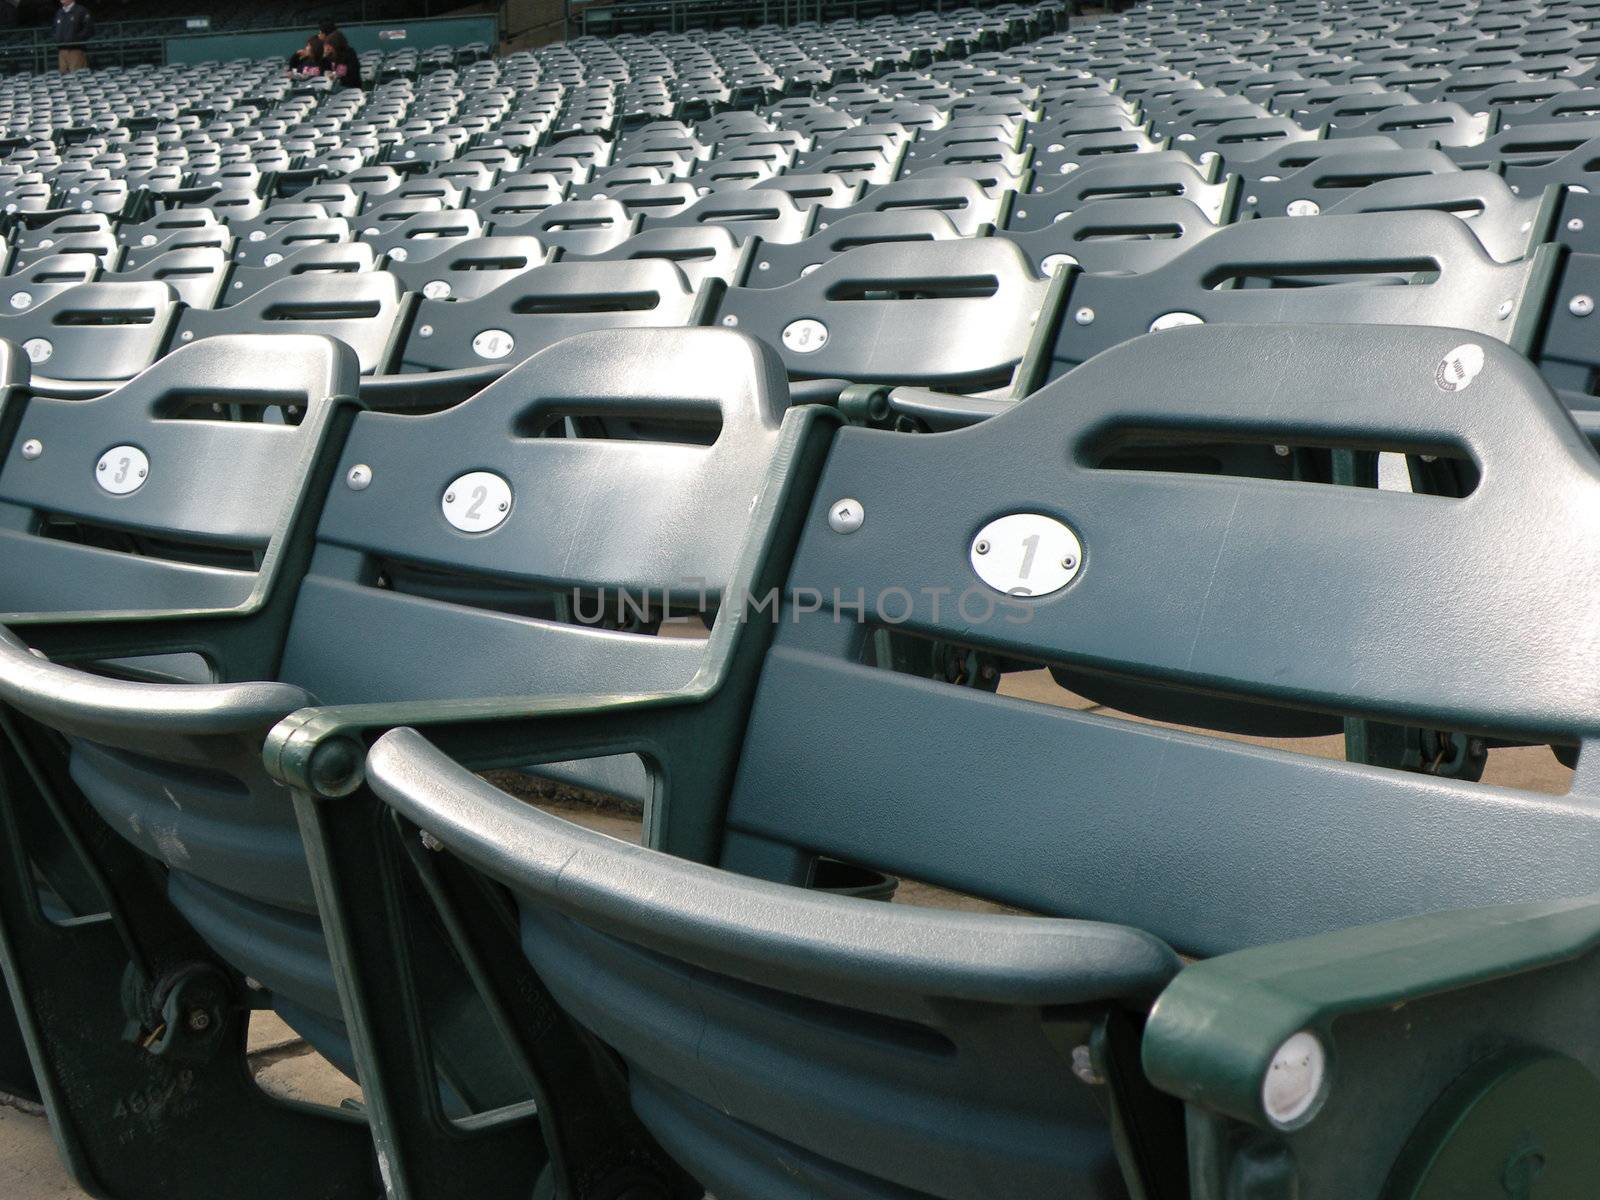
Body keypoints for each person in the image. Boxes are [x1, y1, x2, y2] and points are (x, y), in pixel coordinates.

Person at [54, 0, 93, 74]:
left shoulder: (81, 10)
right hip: (62, 50)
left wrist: (76, 40)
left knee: (77, 76)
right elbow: (54, 28)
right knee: (63, 79)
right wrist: (57, 39)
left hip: (76, 50)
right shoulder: (59, 12)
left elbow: (89, 29)